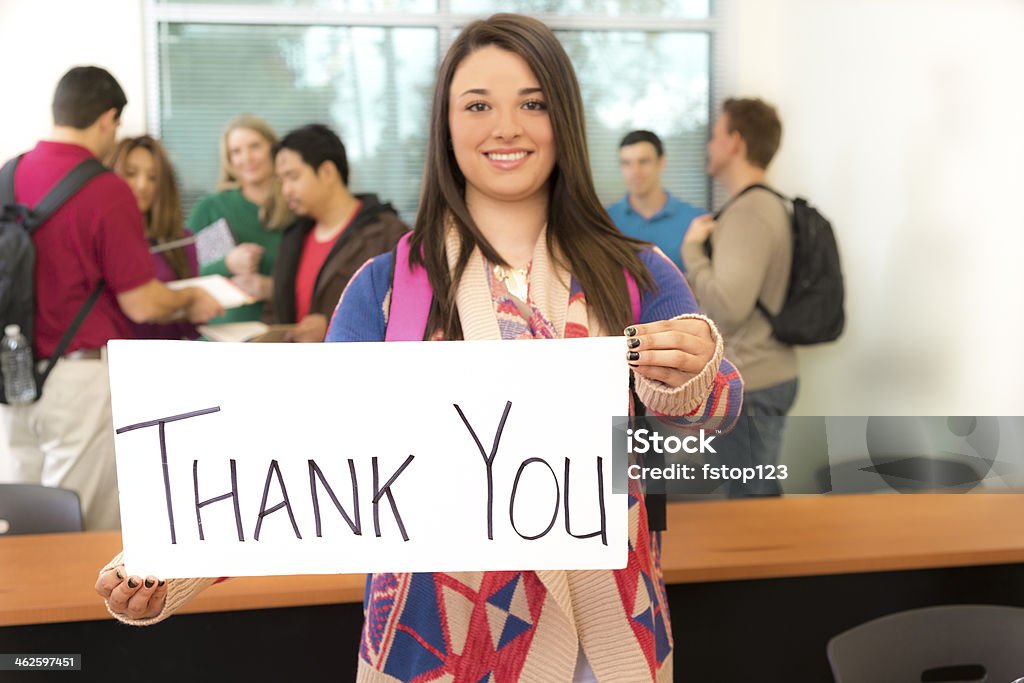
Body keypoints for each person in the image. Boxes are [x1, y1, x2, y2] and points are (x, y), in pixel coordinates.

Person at [95, 16, 742, 681]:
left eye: (533, 102)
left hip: (604, 639)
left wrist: (690, 375)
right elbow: (299, 445)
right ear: (445, 124)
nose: (506, 127)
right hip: (432, 640)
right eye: (478, 105)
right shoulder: (384, 287)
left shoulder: (636, 269)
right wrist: (170, 562)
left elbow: (715, 408)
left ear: (565, 118)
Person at [0, 67, 222, 531]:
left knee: (21, 520)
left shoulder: (8, 174)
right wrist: (188, 300)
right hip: (76, 380)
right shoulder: (105, 189)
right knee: (81, 522)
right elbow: (142, 303)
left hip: (11, 373)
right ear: (107, 119)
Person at [681, 97, 796, 490]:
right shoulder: (759, 206)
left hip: (755, 383)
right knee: (755, 499)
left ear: (735, 142)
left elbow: (729, 308)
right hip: (762, 377)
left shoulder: (750, 211)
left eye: (714, 136)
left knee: (751, 509)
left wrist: (692, 252)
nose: (708, 147)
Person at [271, 124, 407, 342]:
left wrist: (335, 325)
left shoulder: (388, 233)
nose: (286, 190)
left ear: (327, 172)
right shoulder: (292, 237)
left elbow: (410, 314)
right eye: (282, 181)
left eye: (293, 177)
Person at [186, 114, 292, 325]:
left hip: (280, 338)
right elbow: (184, 274)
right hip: (219, 340)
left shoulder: (295, 209)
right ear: (229, 159)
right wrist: (227, 263)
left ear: (273, 148)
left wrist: (272, 288)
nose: (246, 158)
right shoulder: (212, 209)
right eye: (236, 151)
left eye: (254, 146)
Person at [110, 135, 199, 339]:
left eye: (153, 177)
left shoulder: (183, 240)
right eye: (131, 173)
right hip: (114, 360)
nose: (142, 185)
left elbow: (193, 323)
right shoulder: (105, 241)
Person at [606, 130, 703, 273]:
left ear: (662, 162)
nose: (635, 171)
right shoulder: (605, 221)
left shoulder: (694, 221)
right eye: (627, 163)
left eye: (643, 161)